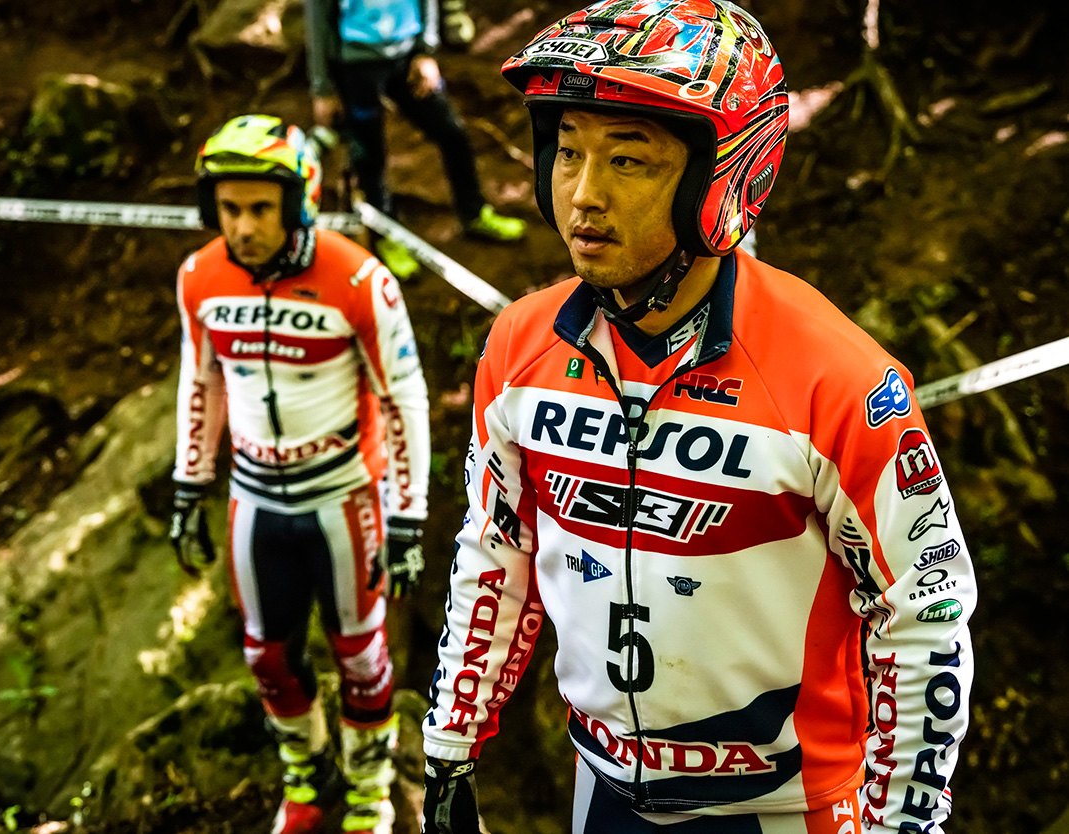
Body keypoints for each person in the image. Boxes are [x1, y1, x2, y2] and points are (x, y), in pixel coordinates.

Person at [420, 3, 975, 833]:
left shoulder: (838, 377)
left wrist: (907, 821)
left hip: (787, 809)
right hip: (602, 794)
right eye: (567, 152)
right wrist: (450, 748)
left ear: (724, 177)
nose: (583, 194)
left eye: (629, 161)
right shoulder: (519, 347)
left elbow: (924, 611)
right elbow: (498, 551)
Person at [168, 113, 431, 834]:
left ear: (299, 202)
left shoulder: (359, 279)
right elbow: (202, 384)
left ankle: (371, 789)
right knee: (267, 655)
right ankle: (306, 778)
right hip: (253, 496)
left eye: (260, 208)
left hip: (344, 495)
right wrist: (189, 486)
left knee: (361, 653)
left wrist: (407, 516)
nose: (244, 226)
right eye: (229, 209)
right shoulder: (199, 278)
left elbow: (403, 396)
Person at [304, 0, 525, 280]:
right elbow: (317, 20)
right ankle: (386, 236)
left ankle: (474, 214)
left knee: (452, 132)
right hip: (355, 65)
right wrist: (322, 88)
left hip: (408, 57)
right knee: (369, 156)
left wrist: (425, 51)